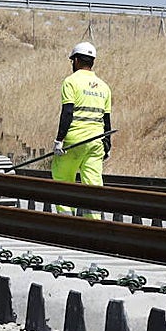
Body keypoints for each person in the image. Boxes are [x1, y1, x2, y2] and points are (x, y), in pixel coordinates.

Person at [51, 41, 112, 219]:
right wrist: (107, 145)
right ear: (92, 62)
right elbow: (106, 120)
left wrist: (59, 140)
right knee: (93, 185)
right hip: (96, 142)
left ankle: (66, 220)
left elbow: (67, 112)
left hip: (73, 141)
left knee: (63, 179)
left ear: (76, 60)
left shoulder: (71, 82)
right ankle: (93, 223)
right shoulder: (104, 87)